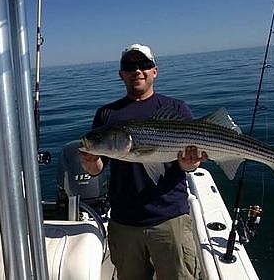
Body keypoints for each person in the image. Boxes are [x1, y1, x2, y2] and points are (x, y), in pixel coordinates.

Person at [80, 43, 207, 280]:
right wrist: (89, 160)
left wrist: (191, 163)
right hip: (124, 223)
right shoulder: (107, 114)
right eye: (129, 66)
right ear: (122, 74)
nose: (137, 71)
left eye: (144, 65)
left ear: (154, 71)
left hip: (171, 220)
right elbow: (97, 170)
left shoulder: (175, 107)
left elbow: (187, 165)